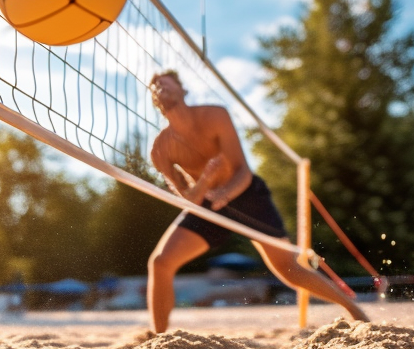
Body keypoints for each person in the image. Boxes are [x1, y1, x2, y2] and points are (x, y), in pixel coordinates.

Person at [145, 70, 368, 332]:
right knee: (160, 263)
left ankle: (354, 309)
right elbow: (189, 198)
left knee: (288, 269)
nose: (159, 86)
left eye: (166, 82)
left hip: (246, 194)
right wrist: (205, 181)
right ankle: (159, 340)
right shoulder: (160, 148)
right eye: (154, 85)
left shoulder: (214, 115)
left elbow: (242, 170)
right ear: (155, 101)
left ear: (183, 91)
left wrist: (224, 194)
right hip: (207, 203)